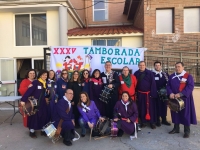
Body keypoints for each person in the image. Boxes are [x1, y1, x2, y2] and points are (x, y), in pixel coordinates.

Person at [167, 62, 197, 138]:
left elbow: (190, 86)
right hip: (174, 98)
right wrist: (170, 93)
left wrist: (181, 94)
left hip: (185, 99)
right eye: (176, 66)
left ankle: (186, 131)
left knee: (185, 114)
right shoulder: (172, 76)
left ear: (183, 67)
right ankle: (176, 128)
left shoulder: (188, 76)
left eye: (179, 66)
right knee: (175, 113)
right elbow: (168, 86)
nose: (177, 68)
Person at [20, 70, 49, 138]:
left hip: (43, 103)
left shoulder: (45, 83)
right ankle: (32, 131)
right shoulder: (36, 82)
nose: (44, 76)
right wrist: (23, 100)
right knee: (34, 117)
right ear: (40, 75)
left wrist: (48, 93)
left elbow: (44, 94)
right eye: (43, 75)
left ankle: (43, 130)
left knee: (43, 116)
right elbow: (29, 91)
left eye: (46, 75)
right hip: (35, 103)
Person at [134, 61, 157, 129]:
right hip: (140, 94)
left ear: (145, 66)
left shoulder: (149, 73)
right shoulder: (136, 73)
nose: (142, 66)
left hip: (149, 94)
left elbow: (153, 83)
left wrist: (153, 94)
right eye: (140, 65)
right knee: (142, 108)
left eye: (143, 65)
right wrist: (136, 93)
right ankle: (143, 122)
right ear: (138, 66)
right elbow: (135, 84)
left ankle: (152, 122)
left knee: (151, 108)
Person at [152, 61, 171, 126]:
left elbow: (169, 83)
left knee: (164, 107)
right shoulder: (152, 74)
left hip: (164, 94)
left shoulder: (165, 74)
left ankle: (164, 120)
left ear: (161, 66)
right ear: (154, 66)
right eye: (156, 65)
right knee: (157, 107)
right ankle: (157, 120)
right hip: (156, 93)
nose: (157, 66)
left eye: (158, 65)